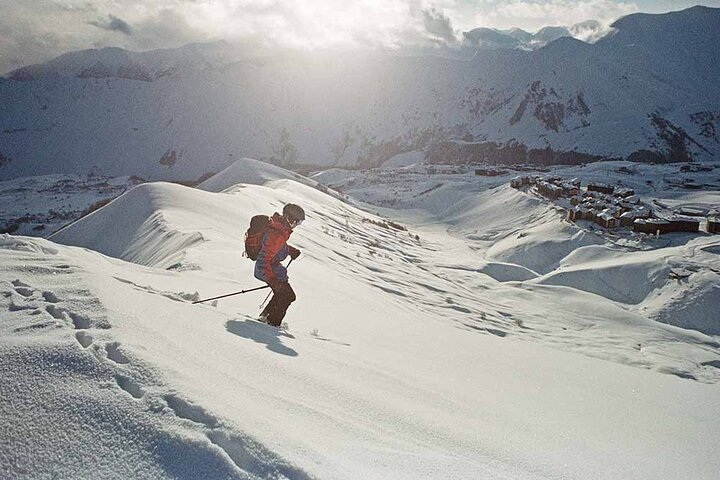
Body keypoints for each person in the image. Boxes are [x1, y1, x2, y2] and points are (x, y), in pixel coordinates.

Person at [254, 203, 305, 326]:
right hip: (268, 270)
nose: (297, 225)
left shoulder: (280, 228)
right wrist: (272, 280)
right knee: (288, 296)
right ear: (290, 219)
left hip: (272, 269)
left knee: (282, 294)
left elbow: (277, 247)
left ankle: (265, 318)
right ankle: (271, 324)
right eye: (297, 222)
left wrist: (289, 250)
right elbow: (263, 259)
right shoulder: (277, 232)